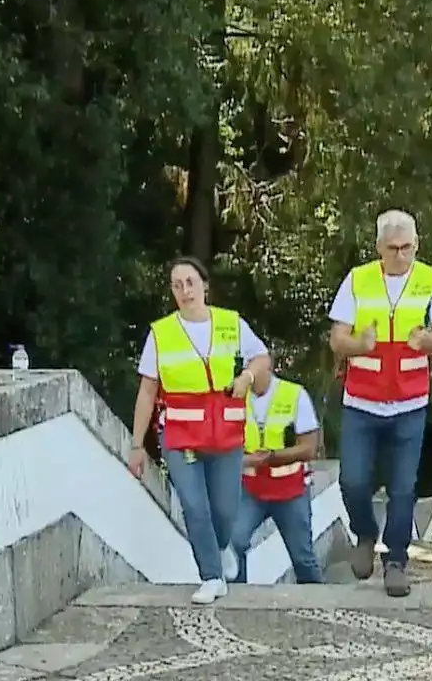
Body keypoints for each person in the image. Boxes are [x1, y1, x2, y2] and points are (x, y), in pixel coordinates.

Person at [127, 256, 272, 604]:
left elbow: (262, 359)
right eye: (177, 285)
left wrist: (248, 377)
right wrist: (136, 445)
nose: (184, 290)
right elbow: (147, 391)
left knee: (225, 509)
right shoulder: (161, 333)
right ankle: (210, 575)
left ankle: (221, 548)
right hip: (179, 434)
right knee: (194, 506)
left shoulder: (231, 323)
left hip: (224, 431)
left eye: (190, 282)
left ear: (205, 286)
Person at [328, 209, 432, 597]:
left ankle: (396, 560)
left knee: (403, 488)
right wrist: (359, 345)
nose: (401, 256)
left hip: (409, 401)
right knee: (352, 480)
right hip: (361, 400)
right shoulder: (358, 280)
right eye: (393, 248)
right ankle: (365, 533)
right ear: (379, 248)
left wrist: (425, 341)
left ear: (417, 245)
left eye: (408, 248)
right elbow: (337, 339)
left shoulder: (431, 280)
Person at [231, 372, 323, 584]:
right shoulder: (235, 396)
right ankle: (237, 601)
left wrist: (270, 458)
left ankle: (317, 603)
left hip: (291, 490)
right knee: (234, 542)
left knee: (303, 558)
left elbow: (309, 449)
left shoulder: (294, 394)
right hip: (251, 490)